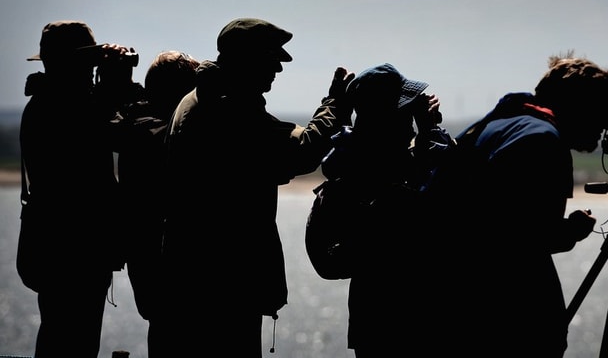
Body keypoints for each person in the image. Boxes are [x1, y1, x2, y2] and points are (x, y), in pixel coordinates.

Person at [155, 18, 355, 358]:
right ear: (246, 60)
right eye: (270, 60)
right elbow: (300, 151)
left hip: (193, 276)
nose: (278, 69)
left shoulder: (200, 99)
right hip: (223, 284)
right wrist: (334, 105)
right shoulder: (228, 108)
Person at [422, 54, 608, 357]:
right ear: (578, 105)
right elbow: (526, 238)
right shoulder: (546, 142)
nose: (605, 123)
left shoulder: (496, 125)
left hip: (452, 308)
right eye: (600, 110)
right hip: (508, 321)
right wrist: (571, 231)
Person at [17, 20, 142, 358]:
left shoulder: (45, 103)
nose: (91, 70)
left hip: (53, 246)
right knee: (74, 338)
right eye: (88, 61)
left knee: (58, 331)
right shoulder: (64, 108)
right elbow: (124, 136)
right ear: (71, 63)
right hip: (76, 249)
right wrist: (117, 82)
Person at [314, 63, 453, 358]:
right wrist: (430, 130)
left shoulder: (349, 159)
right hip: (418, 317)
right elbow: (452, 189)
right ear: (393, 117)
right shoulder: (399, 167)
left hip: (371, 319)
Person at [116, 50, 201, 357]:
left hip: (146, 263)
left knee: (162, 334)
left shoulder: (133, 126)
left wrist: (122, 84)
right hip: (176, 268)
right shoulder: (168, 135)